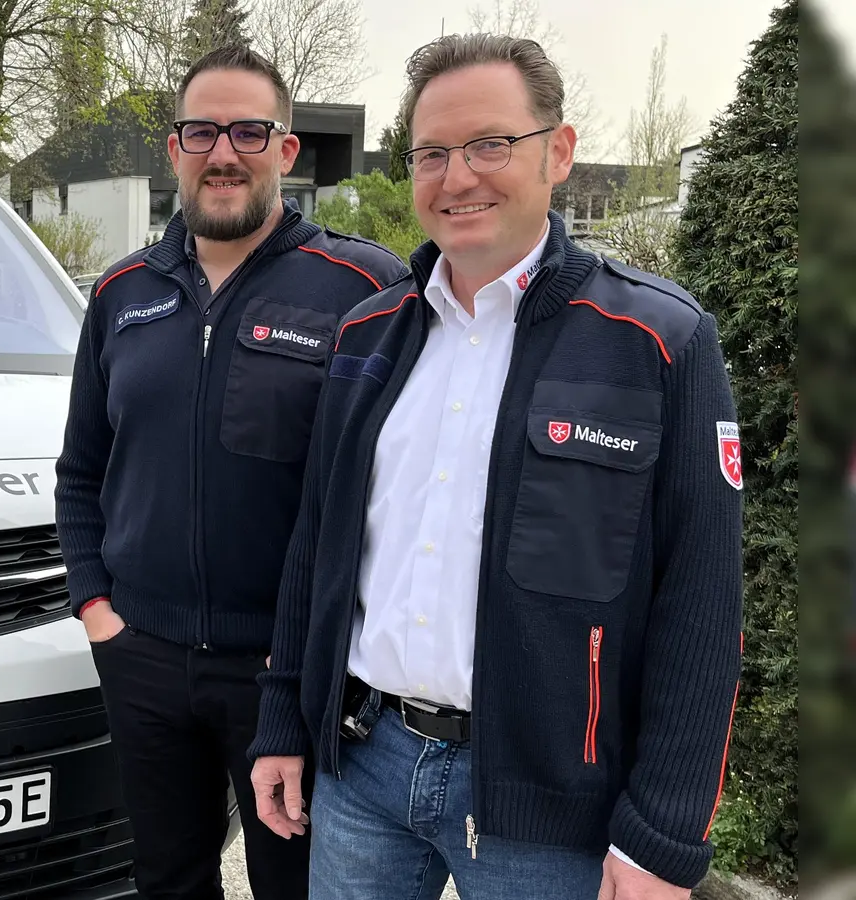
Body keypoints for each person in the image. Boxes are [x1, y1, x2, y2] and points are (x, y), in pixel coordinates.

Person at [246, 33, 744, 900]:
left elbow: (701, 606)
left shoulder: (658, 342)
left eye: (490, 145)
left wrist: (663, 834)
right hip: (363, 771)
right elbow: (315, 549)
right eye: (432, 153)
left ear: (559, 151)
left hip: (551, 812)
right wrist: (284, 717)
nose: (458, 176)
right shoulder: (369, 337)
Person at [53, 45, 409, 900]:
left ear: (286, 151)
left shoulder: (365, 289)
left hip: (285, 675)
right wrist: (97, 610)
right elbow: (80, 471)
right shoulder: (121, 294)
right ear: (173, 148)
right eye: (202, 131)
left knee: (297, 884)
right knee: (167, 878)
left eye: (248, 131)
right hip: (140, 656)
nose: (223, 152)